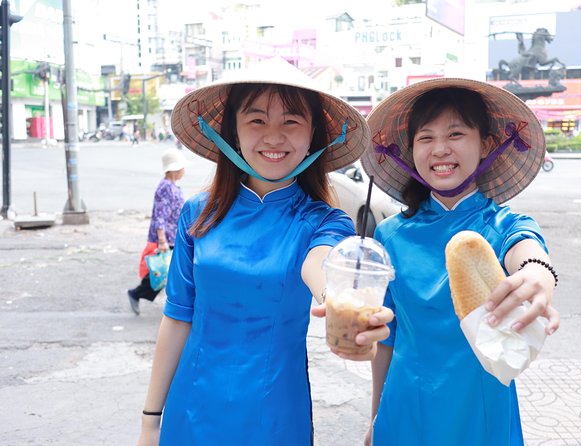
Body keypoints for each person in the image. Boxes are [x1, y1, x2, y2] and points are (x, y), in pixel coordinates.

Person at [136, 57, 394, 446]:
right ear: (234, 132)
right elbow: (176, 319)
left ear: (313, 137)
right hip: (190, 409)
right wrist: (150, 422)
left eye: (291, 122)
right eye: (257, 120)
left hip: (274, 414)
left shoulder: (324, 221)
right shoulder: (197, 213)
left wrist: (341, 301)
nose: (274, 136)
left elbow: (322, 265)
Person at [360, 79, 561, 445]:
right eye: (426, 137)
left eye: (456, 134)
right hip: (405, 406)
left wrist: (538, 274)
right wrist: (375, 414)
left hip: (480, 411)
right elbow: (386, 338)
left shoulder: (504, 225)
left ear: (484, 145)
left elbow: (528, 251)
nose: (440, 149)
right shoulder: (389, 234)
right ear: (411, 151)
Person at [127, 148, 189, 315]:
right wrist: (161, 240)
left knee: (165, 272)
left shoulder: (171, 186)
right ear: (175, 168)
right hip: (166, 238)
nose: (184, 170)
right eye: (182, 167)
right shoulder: (165, 187)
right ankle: (136, 293)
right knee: (162, 272)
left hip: (173, 237)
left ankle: (141, 294)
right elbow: (160, 215)